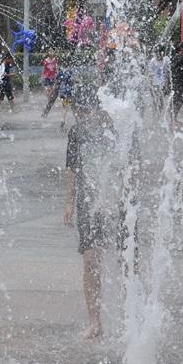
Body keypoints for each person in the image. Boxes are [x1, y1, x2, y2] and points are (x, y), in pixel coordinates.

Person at [63, 87, 117, 338]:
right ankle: (95, 321)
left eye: (87, 112)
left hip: (116, 203)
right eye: (80, 112)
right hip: (88, 203)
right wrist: (70, 203)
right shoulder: (77, 132)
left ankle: (129, 315)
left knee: (126, 263)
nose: (84, 117)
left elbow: (132, 166)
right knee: (90, 260)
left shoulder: (119, 129)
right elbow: (71, 169)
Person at [147, 46, 170, 112]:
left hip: (163, 83)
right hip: (155, 84)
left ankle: (160, 112)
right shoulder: (153, 61)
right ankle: (156, 113)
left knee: (161, 99)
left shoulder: (166, 60)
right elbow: (150, 74)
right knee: (155, 100)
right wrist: (150, 84)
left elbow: (168, 72)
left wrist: (167, 84)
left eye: (159, 53)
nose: (158, 55)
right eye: (156, 53)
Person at [169, 43, 183, 121]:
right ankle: (173, 117)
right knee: (179, 100)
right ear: (180, 50)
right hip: (178, 82)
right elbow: (182, 68)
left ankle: (172, 116)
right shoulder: (181, 58)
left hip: (175, 81)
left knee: (176, 100)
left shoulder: (173, 58)